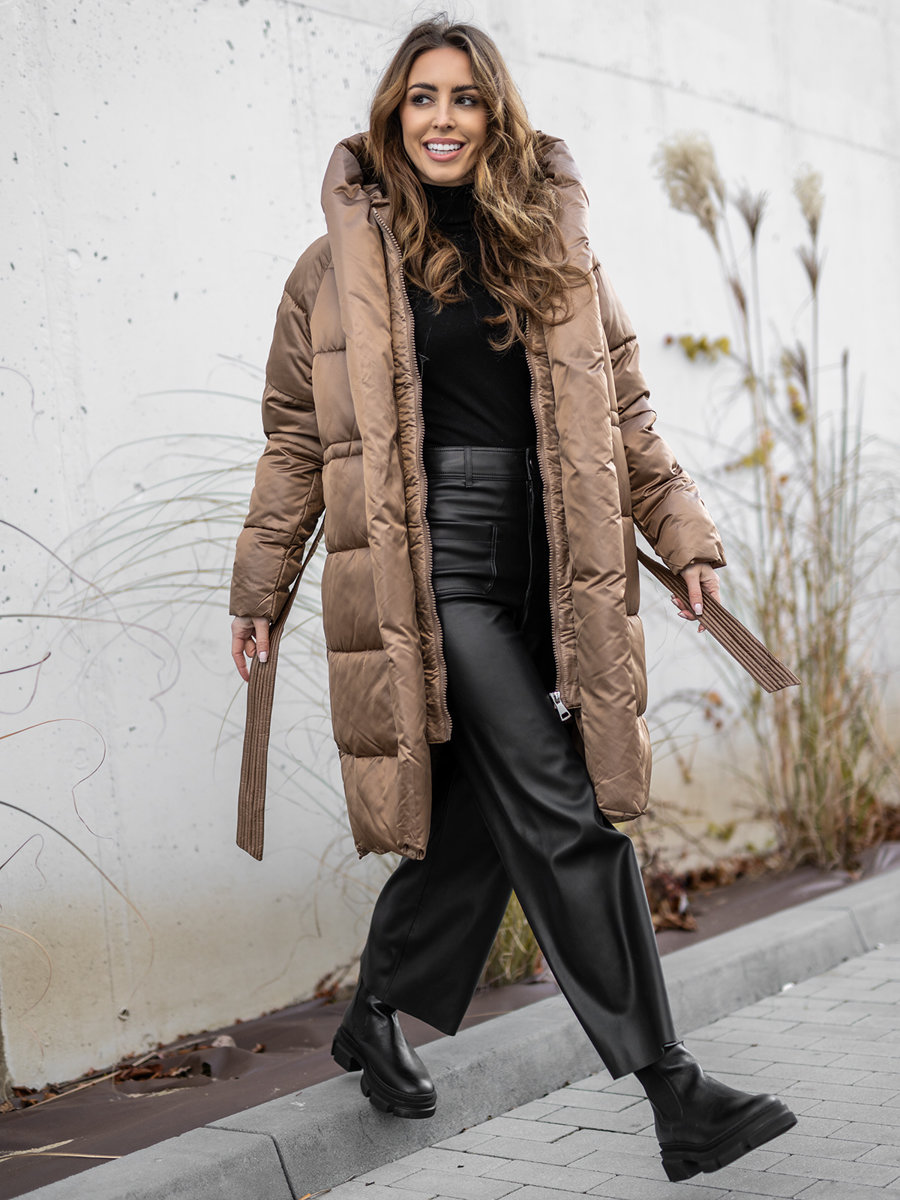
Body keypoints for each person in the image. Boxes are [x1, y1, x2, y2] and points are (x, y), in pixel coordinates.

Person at [229, 17, 796, 1183]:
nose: (442, 118)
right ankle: (674, 1091)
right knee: (564, 808)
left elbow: (624, 413)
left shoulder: (552, 248)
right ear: (394, 113)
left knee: (485, 819)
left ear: (497, 116)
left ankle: (374, 1011)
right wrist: (260, 586)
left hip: (550, 570)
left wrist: (683, 535)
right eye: (422, 96)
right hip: (432, 570)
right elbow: (294, 440)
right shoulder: (333, 271)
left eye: (465, 98)